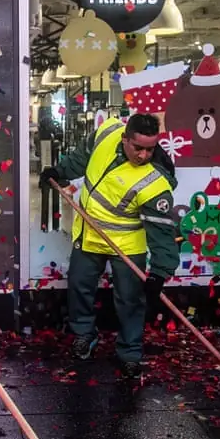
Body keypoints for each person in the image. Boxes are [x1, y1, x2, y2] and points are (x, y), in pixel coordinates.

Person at [40, 113, 180, 378]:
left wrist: (160, 272)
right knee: (79, 286)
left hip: (126, 245)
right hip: (89, 232)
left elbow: (162, 231)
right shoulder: (107, 133)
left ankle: (130, 352)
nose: (143, 155)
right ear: (124, 138)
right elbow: (82, 158)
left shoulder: (155, 182)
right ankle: (84, 335)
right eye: (138, 147)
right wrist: (59, 172)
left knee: (130, 299)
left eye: (150, 149)